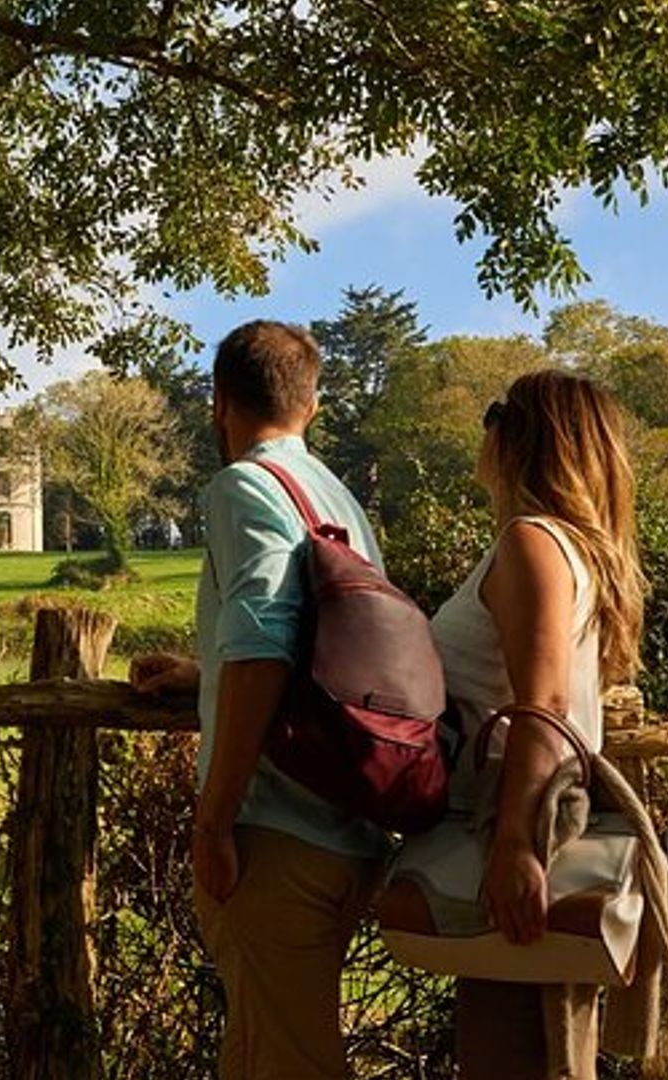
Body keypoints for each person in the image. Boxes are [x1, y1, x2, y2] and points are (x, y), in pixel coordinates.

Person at [130, 321, 390, 1079]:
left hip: (276, 835)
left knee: (288, 1061)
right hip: (348, 822)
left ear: (220, 403)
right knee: (262, 1051)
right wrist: (205, 672)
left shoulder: (245, 485)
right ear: (311, 407)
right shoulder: (335, 495)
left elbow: (264, 643)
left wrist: (213, 822)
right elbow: (316, 646)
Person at [430, 371, 645, 1079]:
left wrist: (516, 845)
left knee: (512, 1051)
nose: (485, 433)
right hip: (533, 816)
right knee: (545, 1048)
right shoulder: (576, 551)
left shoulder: (532, 543)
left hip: (518, 819)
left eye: (494, 416)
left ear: (520, 438)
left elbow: (543, 703)